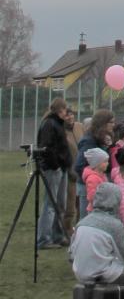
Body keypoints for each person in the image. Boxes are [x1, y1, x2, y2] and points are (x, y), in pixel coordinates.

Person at [36, 98, 72, 248]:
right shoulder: (50, 124)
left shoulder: (58, 124)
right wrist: (56, 165)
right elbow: (46, 148)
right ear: (60, 110)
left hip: (61, 168)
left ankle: (58, 235)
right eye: (65, 110)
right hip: (53, 169)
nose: (67, 113)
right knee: (50, 203)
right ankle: (44, 239)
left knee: (60, 203)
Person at [63, 108, 83, 238]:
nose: (70, 117)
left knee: (82, 202)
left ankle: (81, 228)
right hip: (70, 171)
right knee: (70, 203)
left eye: (71, 114)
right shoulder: (61, 131)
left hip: (83, 170)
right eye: (66, 115)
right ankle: (67, 230)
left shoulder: (80, 127)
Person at [82, 148, 110, 214]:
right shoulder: (92, 178)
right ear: (96, 163)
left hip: (103, 209)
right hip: (95, 210)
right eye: (105, 161)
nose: (108, 163)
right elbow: (92, 197)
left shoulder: (102, 175)